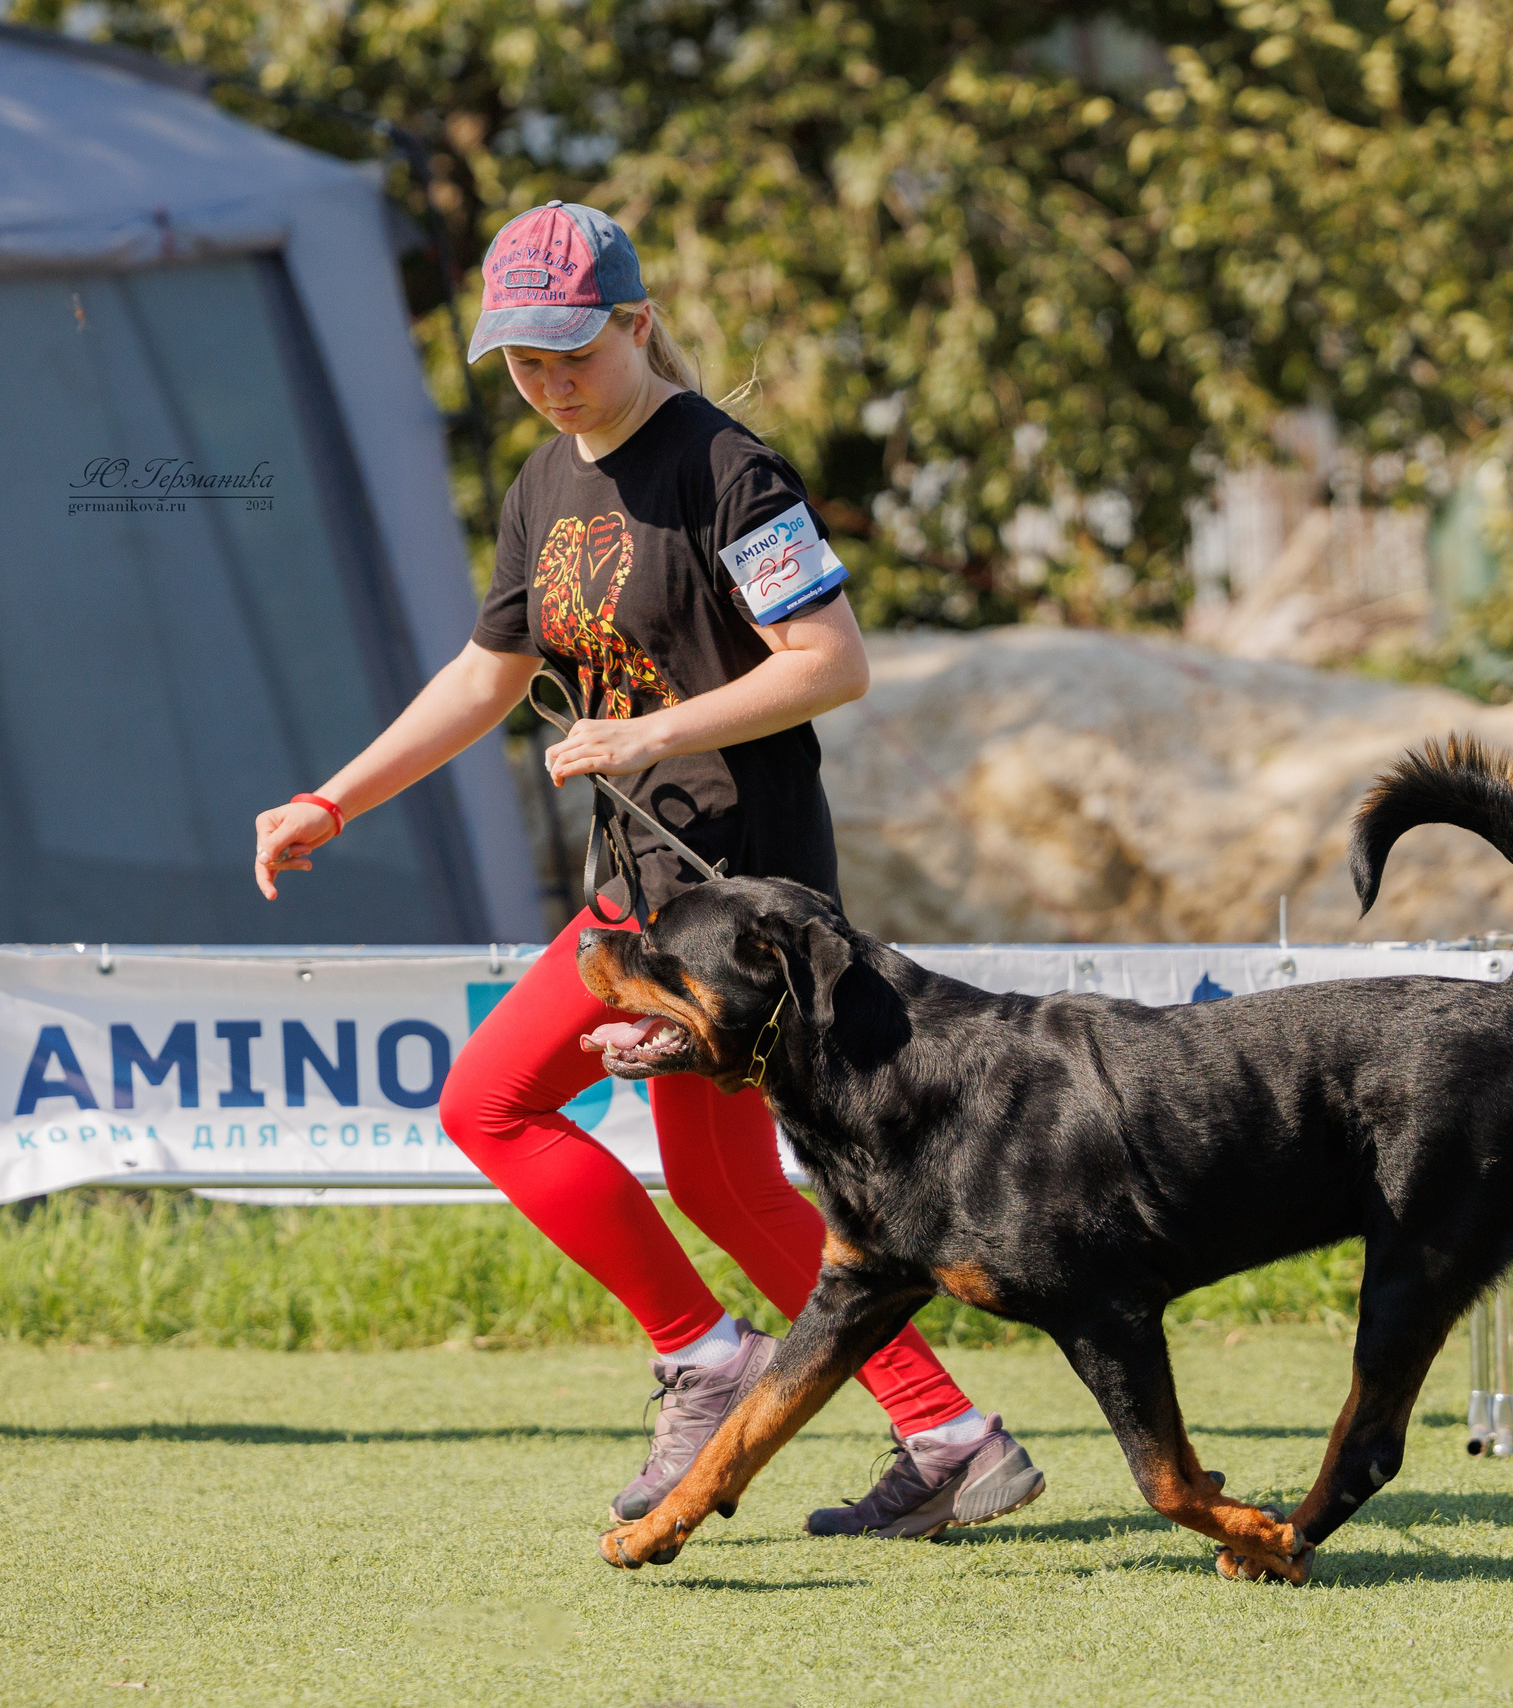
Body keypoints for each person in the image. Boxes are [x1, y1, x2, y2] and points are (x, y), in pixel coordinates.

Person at [251, 200, 1044, 1540]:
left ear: (637, 320)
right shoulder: (539, 486)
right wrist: (338, 797)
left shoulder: (730, 468)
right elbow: (490, 675)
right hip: (640, 899)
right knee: (699, 1177)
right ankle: (944, 1432)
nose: (548, 381)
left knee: (499, 1103)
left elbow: (830, 663)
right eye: (521, 360)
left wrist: (654, 730)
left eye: (572, 350)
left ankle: (713, 1356)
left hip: (743, 911)